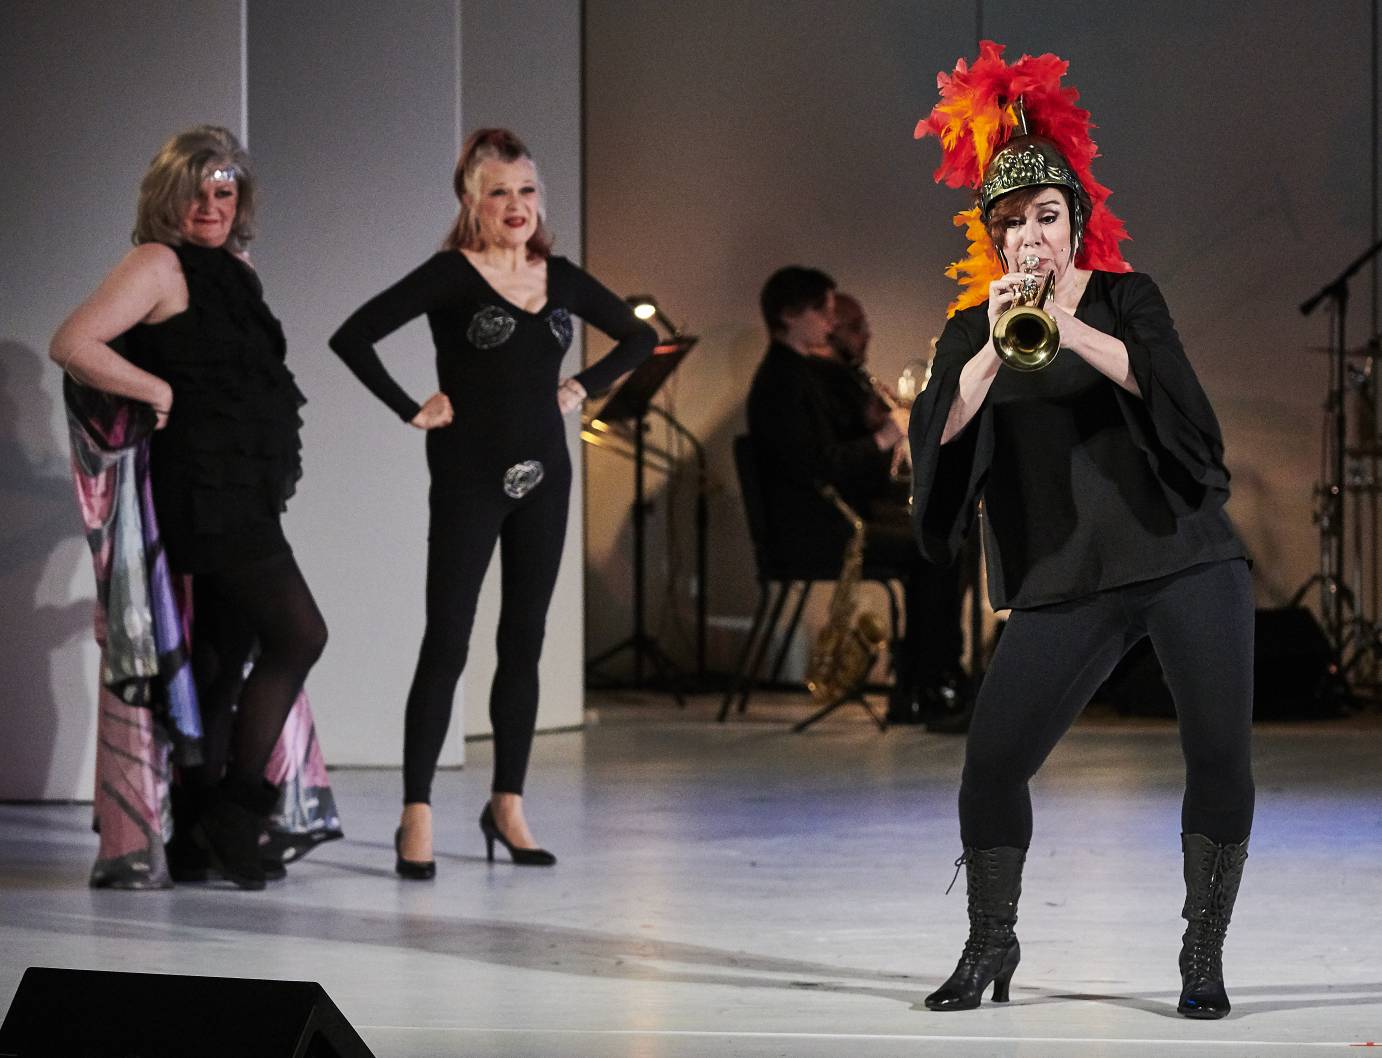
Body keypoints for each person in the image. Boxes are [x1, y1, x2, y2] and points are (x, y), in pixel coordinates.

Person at [910, 43, 1253, 1019]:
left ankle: (1200, 951)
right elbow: (932, 444)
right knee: (990, 764)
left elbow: (1182, 410)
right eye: (1010, 222)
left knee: (1218, 754)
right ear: (991, 234)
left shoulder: (1123, 299)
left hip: (1184, 557)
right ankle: (989, 943)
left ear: (1075, 223)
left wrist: (1071, 319)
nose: (1029, 235)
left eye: (1045, 217)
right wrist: (986, 342)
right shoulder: (969, 326)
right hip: (1065, 576)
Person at [330, 128, 655, 875]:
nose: (517, 205)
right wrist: (410, 406)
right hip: (469, 474)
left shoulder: (561, 276)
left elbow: (639, 342)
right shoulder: (450, 275)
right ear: (472, 201)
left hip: (545, 474)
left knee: (525, 638)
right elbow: (354, 336)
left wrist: (584, 385)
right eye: (499, 192)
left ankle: (507, 802)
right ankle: (416, 811)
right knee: (447, 638)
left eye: (528, 190)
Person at [50, 125, 329, 891]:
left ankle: (200, 825)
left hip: (245, 488)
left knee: (221, 659)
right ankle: (239, 809)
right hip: (205, 493)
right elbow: (74, 341)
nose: (212, 204)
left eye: (225, 190)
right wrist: (156, 390)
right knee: (301, 633)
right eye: (198, 191)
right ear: (169, 197)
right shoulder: (157, 264)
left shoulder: (236, 271)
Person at [747, 271, 963, 723]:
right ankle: (931, 682)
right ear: (789, 316)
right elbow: (819, 467)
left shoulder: (798, 374)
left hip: (828, 520)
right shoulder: (781, 382)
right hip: (814, 530)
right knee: (934, 547)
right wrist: (885, 436)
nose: (830, 323)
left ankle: (928, 680)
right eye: (822, 312)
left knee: (940, 534)